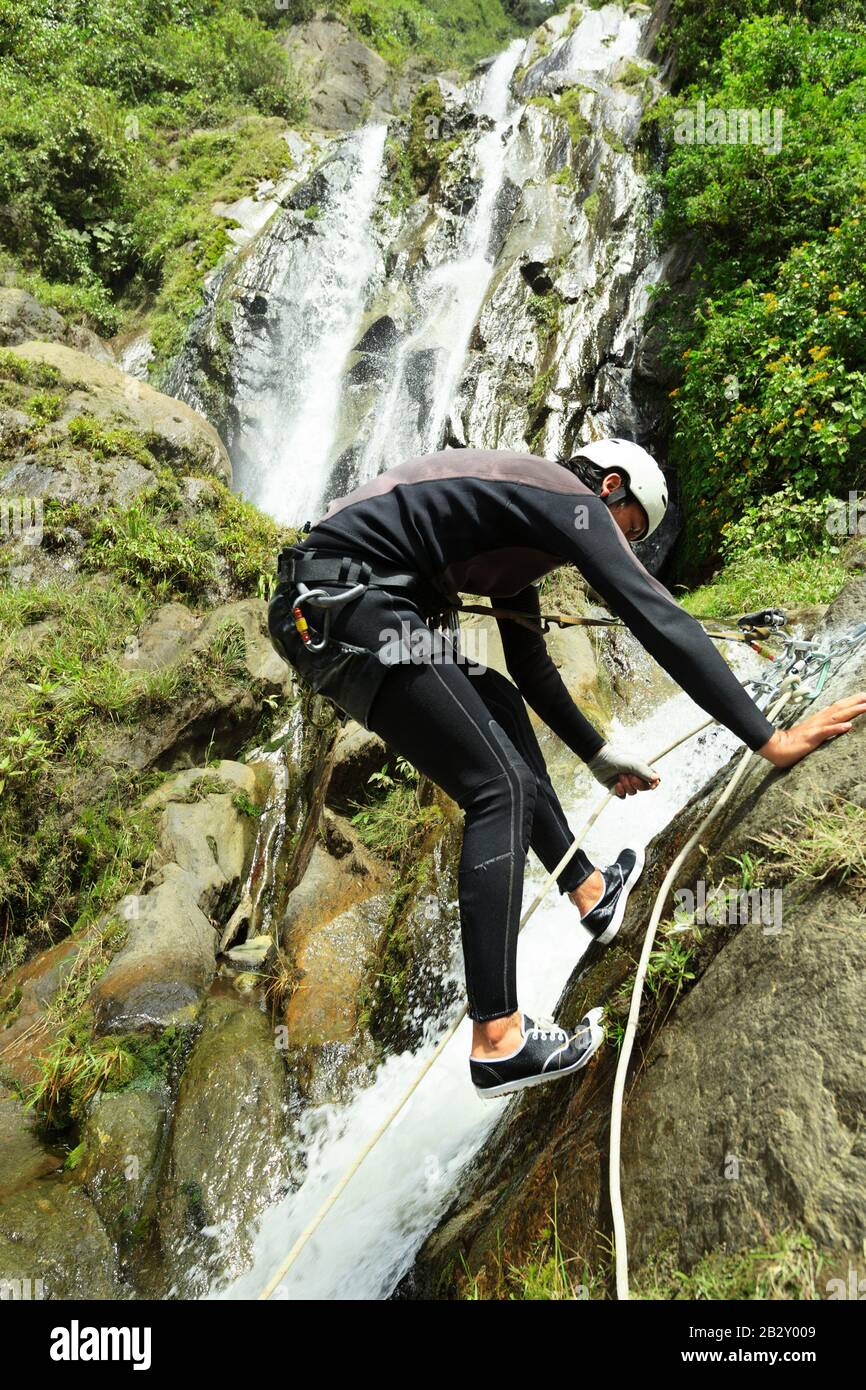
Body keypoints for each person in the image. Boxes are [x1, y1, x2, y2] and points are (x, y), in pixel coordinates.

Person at [268, 439, 866, 1098]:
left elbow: (529, 670)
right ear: (608, 486)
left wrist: (597, 754)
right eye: (629, 529)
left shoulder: (516, 538)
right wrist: (770, 739)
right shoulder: (563, 498)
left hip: (335, 608)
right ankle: (498, 1039)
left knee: (493, 699)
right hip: (344, 602)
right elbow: (655, 615)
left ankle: (589, 891)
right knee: (496, 788)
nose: (624, 549)